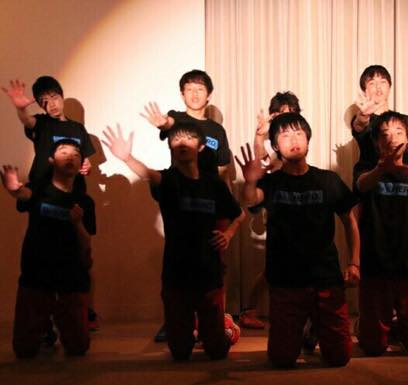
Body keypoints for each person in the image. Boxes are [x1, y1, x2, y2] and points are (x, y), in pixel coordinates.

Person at [102, 122, 242, 360]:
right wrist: (127, 158)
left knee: (217, 351)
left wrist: (227, 235)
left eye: (188, 138)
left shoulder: (214, 184)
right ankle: (194, 331)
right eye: (176, 140)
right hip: (176, 273)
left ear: (200, 147)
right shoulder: (169, 180)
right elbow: (148, 174)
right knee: (180, 352)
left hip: (209, 272)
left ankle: (226, 328)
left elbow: (238, 214)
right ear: (170, 148)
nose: (181, 143)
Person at [236, 112, 360, 368]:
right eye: (285, 135)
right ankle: (302, 333)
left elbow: (349, 220)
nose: (293, 139)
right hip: (285, 281)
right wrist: (250, 181)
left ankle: (314, 330)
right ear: (275, 145)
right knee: (281, 360)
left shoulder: (328, 180)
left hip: (326, 278)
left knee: (339, 358)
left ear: (308, 139)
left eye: (298, 133)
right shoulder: (272, 183)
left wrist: (354, 262)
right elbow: (250, 200)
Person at [140, 70, 235, 341]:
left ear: (209, 95)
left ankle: (214, 320)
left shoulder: (217, 130)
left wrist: (228, 203)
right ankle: (175, 320)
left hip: (211, 199)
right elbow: (167, 124)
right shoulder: (178, 120)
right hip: (181, 198)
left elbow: (223, 169)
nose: (194, 94)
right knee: (178, 258)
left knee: (215, 262)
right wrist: (162, 124)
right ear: (182, 94)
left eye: (200, 89)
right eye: (189, 89)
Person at [351, 65, 408, 339]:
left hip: (402, 179)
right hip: (370, 179)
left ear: (390, 86)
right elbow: (358, 127)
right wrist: (364, 116)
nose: (378, 87)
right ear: (364, 89)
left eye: (383, 81)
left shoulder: (405, 121)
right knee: (370, 235)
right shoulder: (365, 118)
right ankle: (371, 316)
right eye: (371, 82)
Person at [2, 77, 99, 331]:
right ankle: (42, 322)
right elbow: (27, 121)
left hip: (73, 194)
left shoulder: (78, 129)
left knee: (78, 251)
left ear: (62, 96)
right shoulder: (42, 123)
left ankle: (82, 311)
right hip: (43, 193)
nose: (51, 104)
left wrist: (86, 166)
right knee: (42, 246)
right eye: (44, 101)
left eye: (54, 97)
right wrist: (20, 108)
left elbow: (87, 160)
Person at [1, 139, 95, 358]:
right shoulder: (39, 189)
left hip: (70, 277)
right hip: (36, 274)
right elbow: (24, 194)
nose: (70, 157)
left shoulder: (84, 201)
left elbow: (86, 242)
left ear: (81, 163)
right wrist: (14, 190)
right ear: (51, 160)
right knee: (24, 350)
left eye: (76, 154)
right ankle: (44, 329)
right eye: (64, 152)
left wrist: (77, 223)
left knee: (78, 348)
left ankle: (56, 325)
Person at [239, 91, 303, 330]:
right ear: (273, 115)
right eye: (281, 113)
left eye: (291, 113)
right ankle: (250, 309)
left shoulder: (298, 136)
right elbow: (262, 163)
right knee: (275, 264)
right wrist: (259, 136)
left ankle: (257, 309)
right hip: (276, 204)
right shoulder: (271, 141)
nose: (286, 118)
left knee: (286, 263)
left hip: (299, 203)